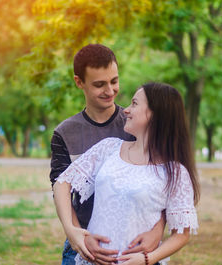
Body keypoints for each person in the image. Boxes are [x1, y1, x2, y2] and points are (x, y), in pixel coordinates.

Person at [54, 82, 200, 265]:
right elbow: (62, 183)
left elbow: (181, 234)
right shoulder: (109, 148)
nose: (126, 110)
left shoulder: (175, 172)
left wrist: (147, 259)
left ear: (156, 114)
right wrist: (73, 231)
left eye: (135, 104)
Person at [49, 44, 166, 265]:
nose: (110, 90)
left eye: (114, 81)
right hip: (85, 246)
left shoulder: (135, 124)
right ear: (79, 82)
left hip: (133, 247)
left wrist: (158, 231)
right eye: (99, 84)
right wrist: (76, 235)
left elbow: (163, 183)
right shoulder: (65, 133)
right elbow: (61, 187)